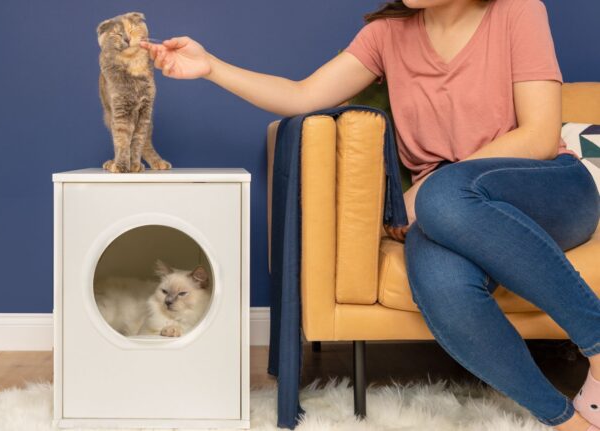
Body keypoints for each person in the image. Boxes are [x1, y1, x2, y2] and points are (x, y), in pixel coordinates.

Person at [140, 0, 600, 429]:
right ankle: (567, 418)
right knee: (441, 284)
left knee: (443, 197)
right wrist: (211, 67)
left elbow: (539, 137)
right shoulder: (388, 33)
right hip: (444, 215)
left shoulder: (517, 11)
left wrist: (426, 192)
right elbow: (303, 96)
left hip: (546, 188)